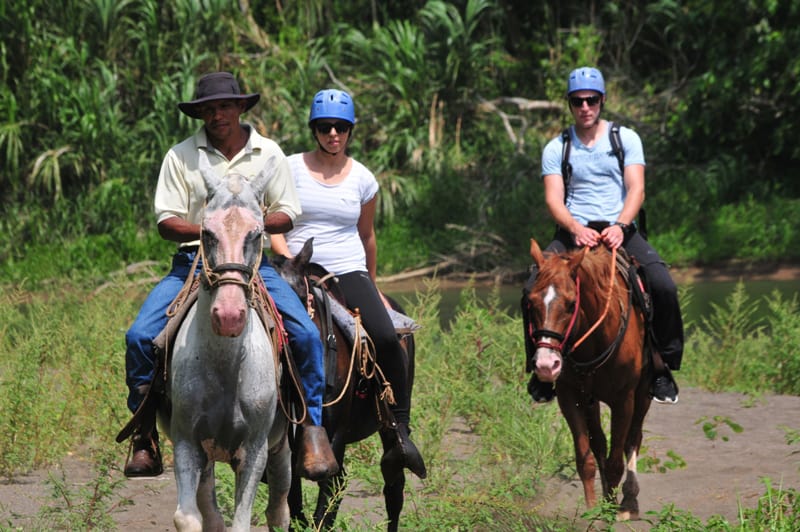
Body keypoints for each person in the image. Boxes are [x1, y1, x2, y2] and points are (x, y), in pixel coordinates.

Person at [123, 72, 338, 481]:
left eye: (224, 106)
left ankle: (311, 427)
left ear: (241, 107)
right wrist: (212, 228)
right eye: (207, 109)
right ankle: (145, 434)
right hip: (194, 262)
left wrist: (247, 223)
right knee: (138, 337)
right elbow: (166, 222)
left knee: (307, 336)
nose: (216, 115)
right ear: (199, 114)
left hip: (253, 264)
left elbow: (288, 213)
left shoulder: (269, 153)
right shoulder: (180, 156)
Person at [270, 89, 427, 479]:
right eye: (325, 127)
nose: (333, 134)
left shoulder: (363, 178)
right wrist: (287, 258)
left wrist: (372, 286)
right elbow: (272, 221)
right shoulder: (289, 168)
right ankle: (261, 432)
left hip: (348, 269)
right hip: (297, 267)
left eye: (341, 128)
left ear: (350, 131)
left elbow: (367, 235)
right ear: (314, 130)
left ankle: (399, 433)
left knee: (390, 339)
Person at [525, 66, 683, 404]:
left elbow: (636, 188)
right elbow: (554, 198)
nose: (585, 107)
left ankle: (661, 365)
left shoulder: (625, 139)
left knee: (661, 284)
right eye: (578, 101)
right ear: (570, 104)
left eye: (591, 100)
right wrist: (575, 229)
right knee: (532, 289)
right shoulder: (558, 146)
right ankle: (540, 372)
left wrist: (620, 226)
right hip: (574, 232)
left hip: (619, 229)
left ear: (602, 101)